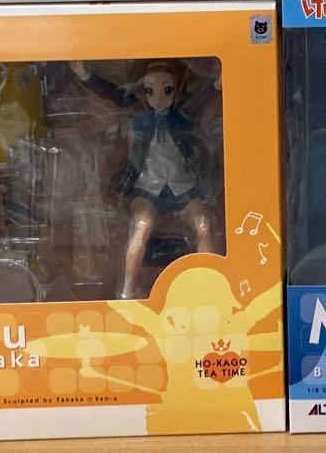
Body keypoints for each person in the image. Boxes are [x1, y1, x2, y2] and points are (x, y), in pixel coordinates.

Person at [71, 59, 218, 299]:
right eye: (150, 91)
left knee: (203, 224)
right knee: (142, 226)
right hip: (147, 188)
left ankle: (211, 286)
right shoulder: (139, 118)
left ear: (176, 90)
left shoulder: (184, 117)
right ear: (143, 92)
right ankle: (127, 290)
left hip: (184, 188)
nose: (158, 99)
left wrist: (218, 83)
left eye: (167, 90)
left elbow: (204, 98)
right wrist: (84, 74)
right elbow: (114, 94)